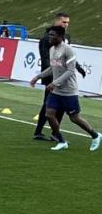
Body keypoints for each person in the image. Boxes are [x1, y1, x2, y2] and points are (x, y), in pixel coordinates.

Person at [29, 25, 101, 152]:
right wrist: (38, 76)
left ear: (60, 37)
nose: (50, 37)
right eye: (49, 34)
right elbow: (52, 68)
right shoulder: (52, 49)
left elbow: (70, 71)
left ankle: (95, 136)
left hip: (69, 91)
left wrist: (54, 83)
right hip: (56, 91)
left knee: (74, 118)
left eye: (53, 35)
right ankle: (61, 141)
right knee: (49, 114)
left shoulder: (68, 50)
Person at [33, 12, 86, 141]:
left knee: (59, 107)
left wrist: (78, 68)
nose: (66, 24)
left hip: (60, 76)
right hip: (51, 76)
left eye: (67, 22)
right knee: (48, 105)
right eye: (63, 22)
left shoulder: (65, 38)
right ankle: (39, 132)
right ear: (56, 22)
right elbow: (46, 59)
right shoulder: (47, 39)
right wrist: (51, 75)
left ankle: (54, 133)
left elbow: (68, 58)